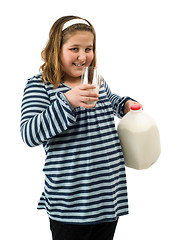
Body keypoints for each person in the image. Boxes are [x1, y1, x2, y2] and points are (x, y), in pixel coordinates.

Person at [20, 15, 142, 240]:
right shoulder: (41, 85)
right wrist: (66, 101)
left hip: (107, 193)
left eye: (89, 48)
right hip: (70, 199)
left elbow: (110, 100)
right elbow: (29, 133)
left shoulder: (96, 80)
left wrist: (124, 104)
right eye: (74, 48)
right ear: (56, 49)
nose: (83, 56)